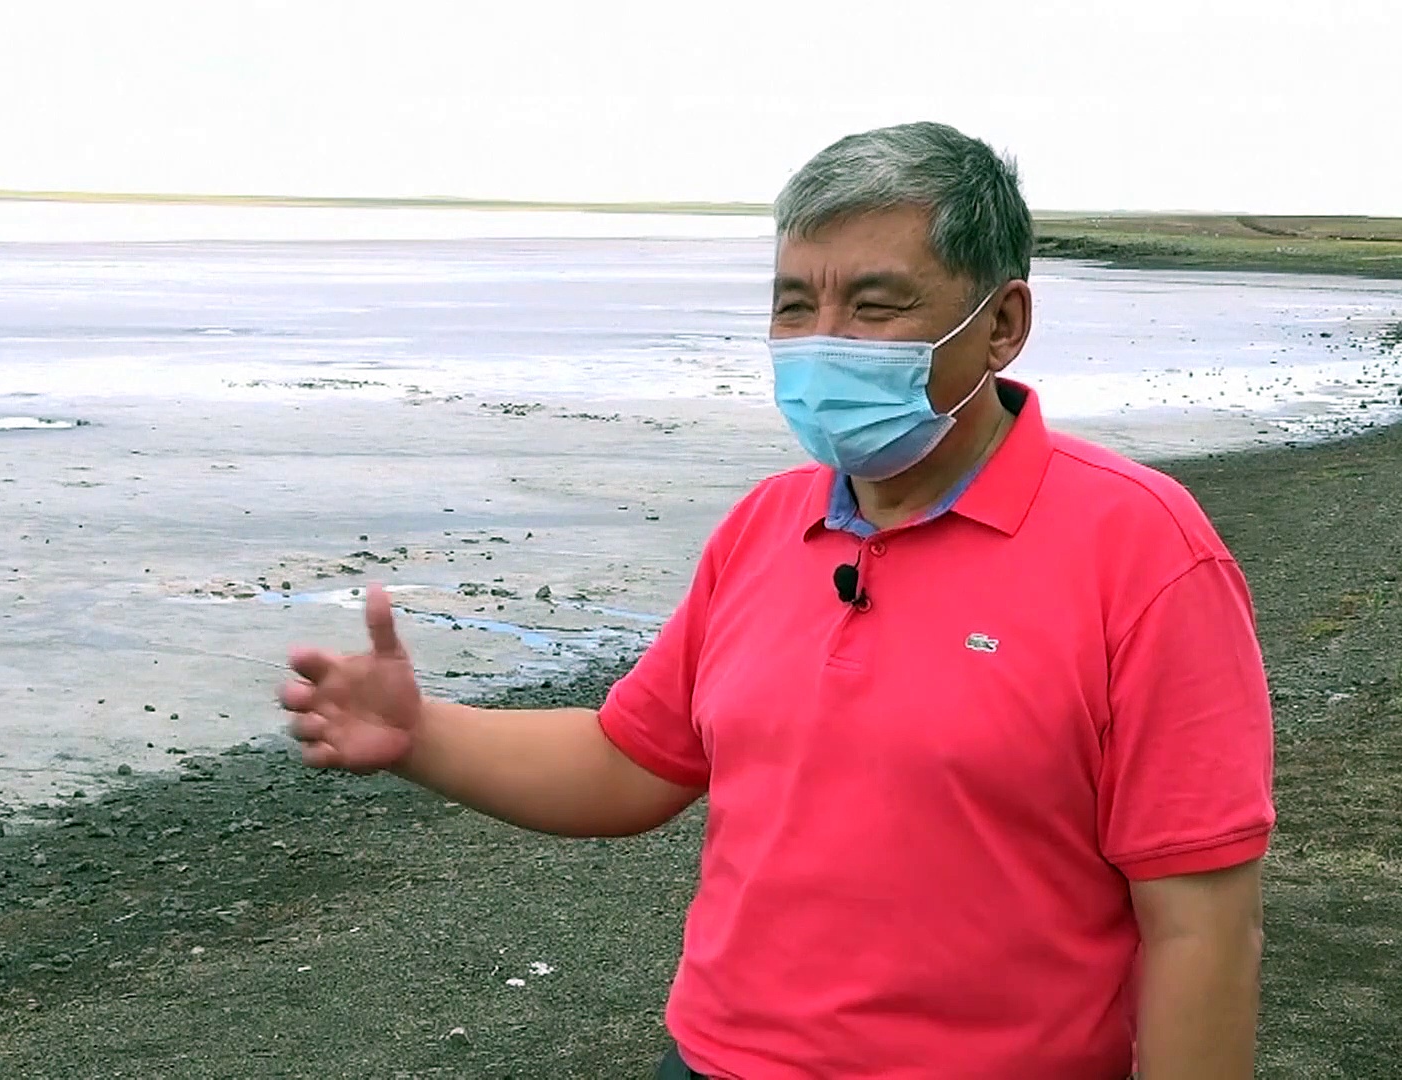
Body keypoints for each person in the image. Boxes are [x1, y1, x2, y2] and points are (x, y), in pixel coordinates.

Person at [280, 122, 1275, 1079]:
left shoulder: (1142, 550)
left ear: (1002, 325)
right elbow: (630, 763)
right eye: (795, 305)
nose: (823, 342)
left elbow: (1199, 925)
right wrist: (421, 735)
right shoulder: (766, 525)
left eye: (875, 306)